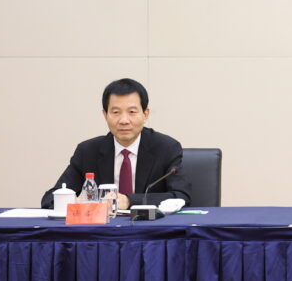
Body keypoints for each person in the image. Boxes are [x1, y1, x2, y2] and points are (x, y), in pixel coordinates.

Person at [40, 78, 191, 209]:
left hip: (149, 229)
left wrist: (129, 200)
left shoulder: (166, 148)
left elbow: (181, 196)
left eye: (132, 112)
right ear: (105, 115)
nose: (124, 120)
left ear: (145, 114)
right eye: (116, 112)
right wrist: (74, 202)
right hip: (101, 230)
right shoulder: (87, 151)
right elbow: (49, 199)